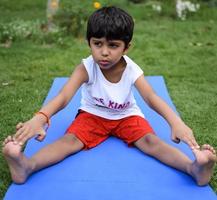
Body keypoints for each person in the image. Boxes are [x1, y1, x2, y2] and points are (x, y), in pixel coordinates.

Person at [2, 6, 216, 186]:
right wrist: (41, 117)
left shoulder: (132, 70)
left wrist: (175, 121)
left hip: (127, 116)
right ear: (89, 42)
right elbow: (64, 96)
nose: (104, 52)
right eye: (97, 44)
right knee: (68, 142)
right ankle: (27, 166)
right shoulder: (86, 68)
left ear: (126, 47)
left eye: (113, 45)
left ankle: (193, 168)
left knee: (152, 142)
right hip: (92, 116)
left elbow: (151, 96)